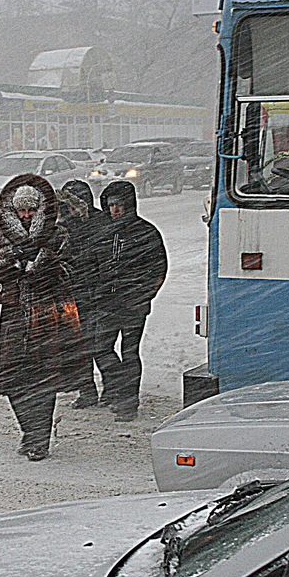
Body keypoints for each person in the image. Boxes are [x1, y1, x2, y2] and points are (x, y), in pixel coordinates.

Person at [0, 174, 90, 461]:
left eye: (30, 210)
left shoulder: (58, 234)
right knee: (14, 381)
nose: (26, 215)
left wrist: (41, 264)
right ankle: (29, 430)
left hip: (49, 315)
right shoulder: (2, 237)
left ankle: (39, 438)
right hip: (14, 317)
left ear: (40, 209)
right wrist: (10, 261)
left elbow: (71, 272)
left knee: (44, 381)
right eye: (21, 210)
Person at [94, 180, 167, 422]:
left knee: (129, 352)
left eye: (120, 205)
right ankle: (119, 389)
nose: (115, 210)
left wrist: (142, 295)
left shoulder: (145, 232)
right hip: (107, 303)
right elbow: (92, 266)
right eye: (111, 205)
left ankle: (128, 401)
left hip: (133, 305)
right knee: (100, 348)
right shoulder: (103, 233)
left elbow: (158, 269)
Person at [58, 179, 109, 409]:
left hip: (95, 294)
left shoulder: (98, 223)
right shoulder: (61, 225)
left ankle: (110, 391)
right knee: (78, 347)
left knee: (99, 347)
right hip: (73, 295)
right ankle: (88, 390)